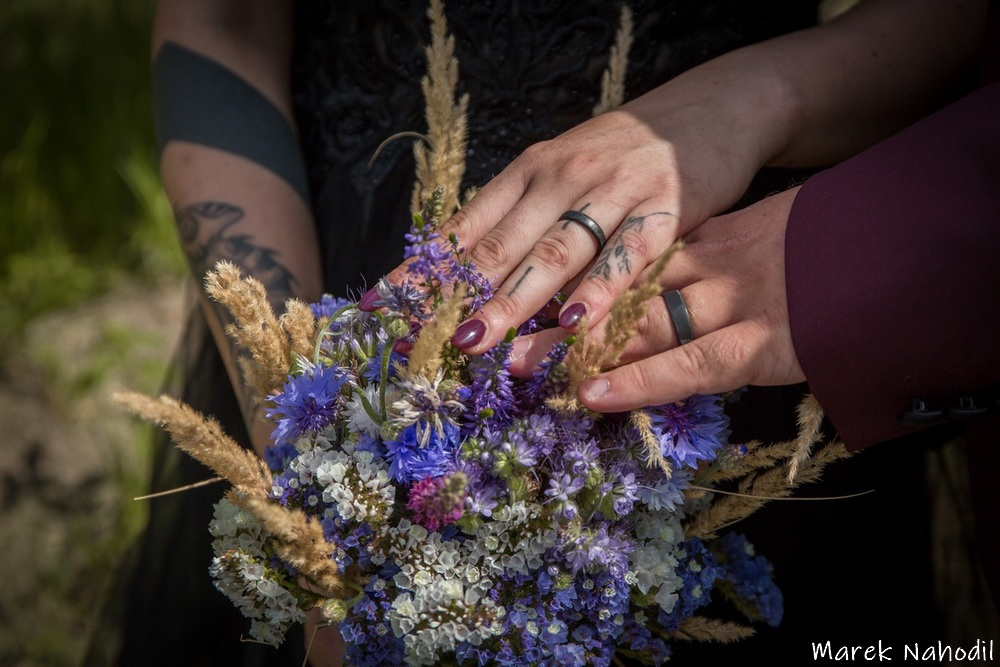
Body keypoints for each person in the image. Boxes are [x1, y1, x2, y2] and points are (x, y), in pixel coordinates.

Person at [88, 1, 990, 666]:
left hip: (712, 284)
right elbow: (221, 25)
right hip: (359, 280)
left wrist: (756, 98)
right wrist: (316, 470)